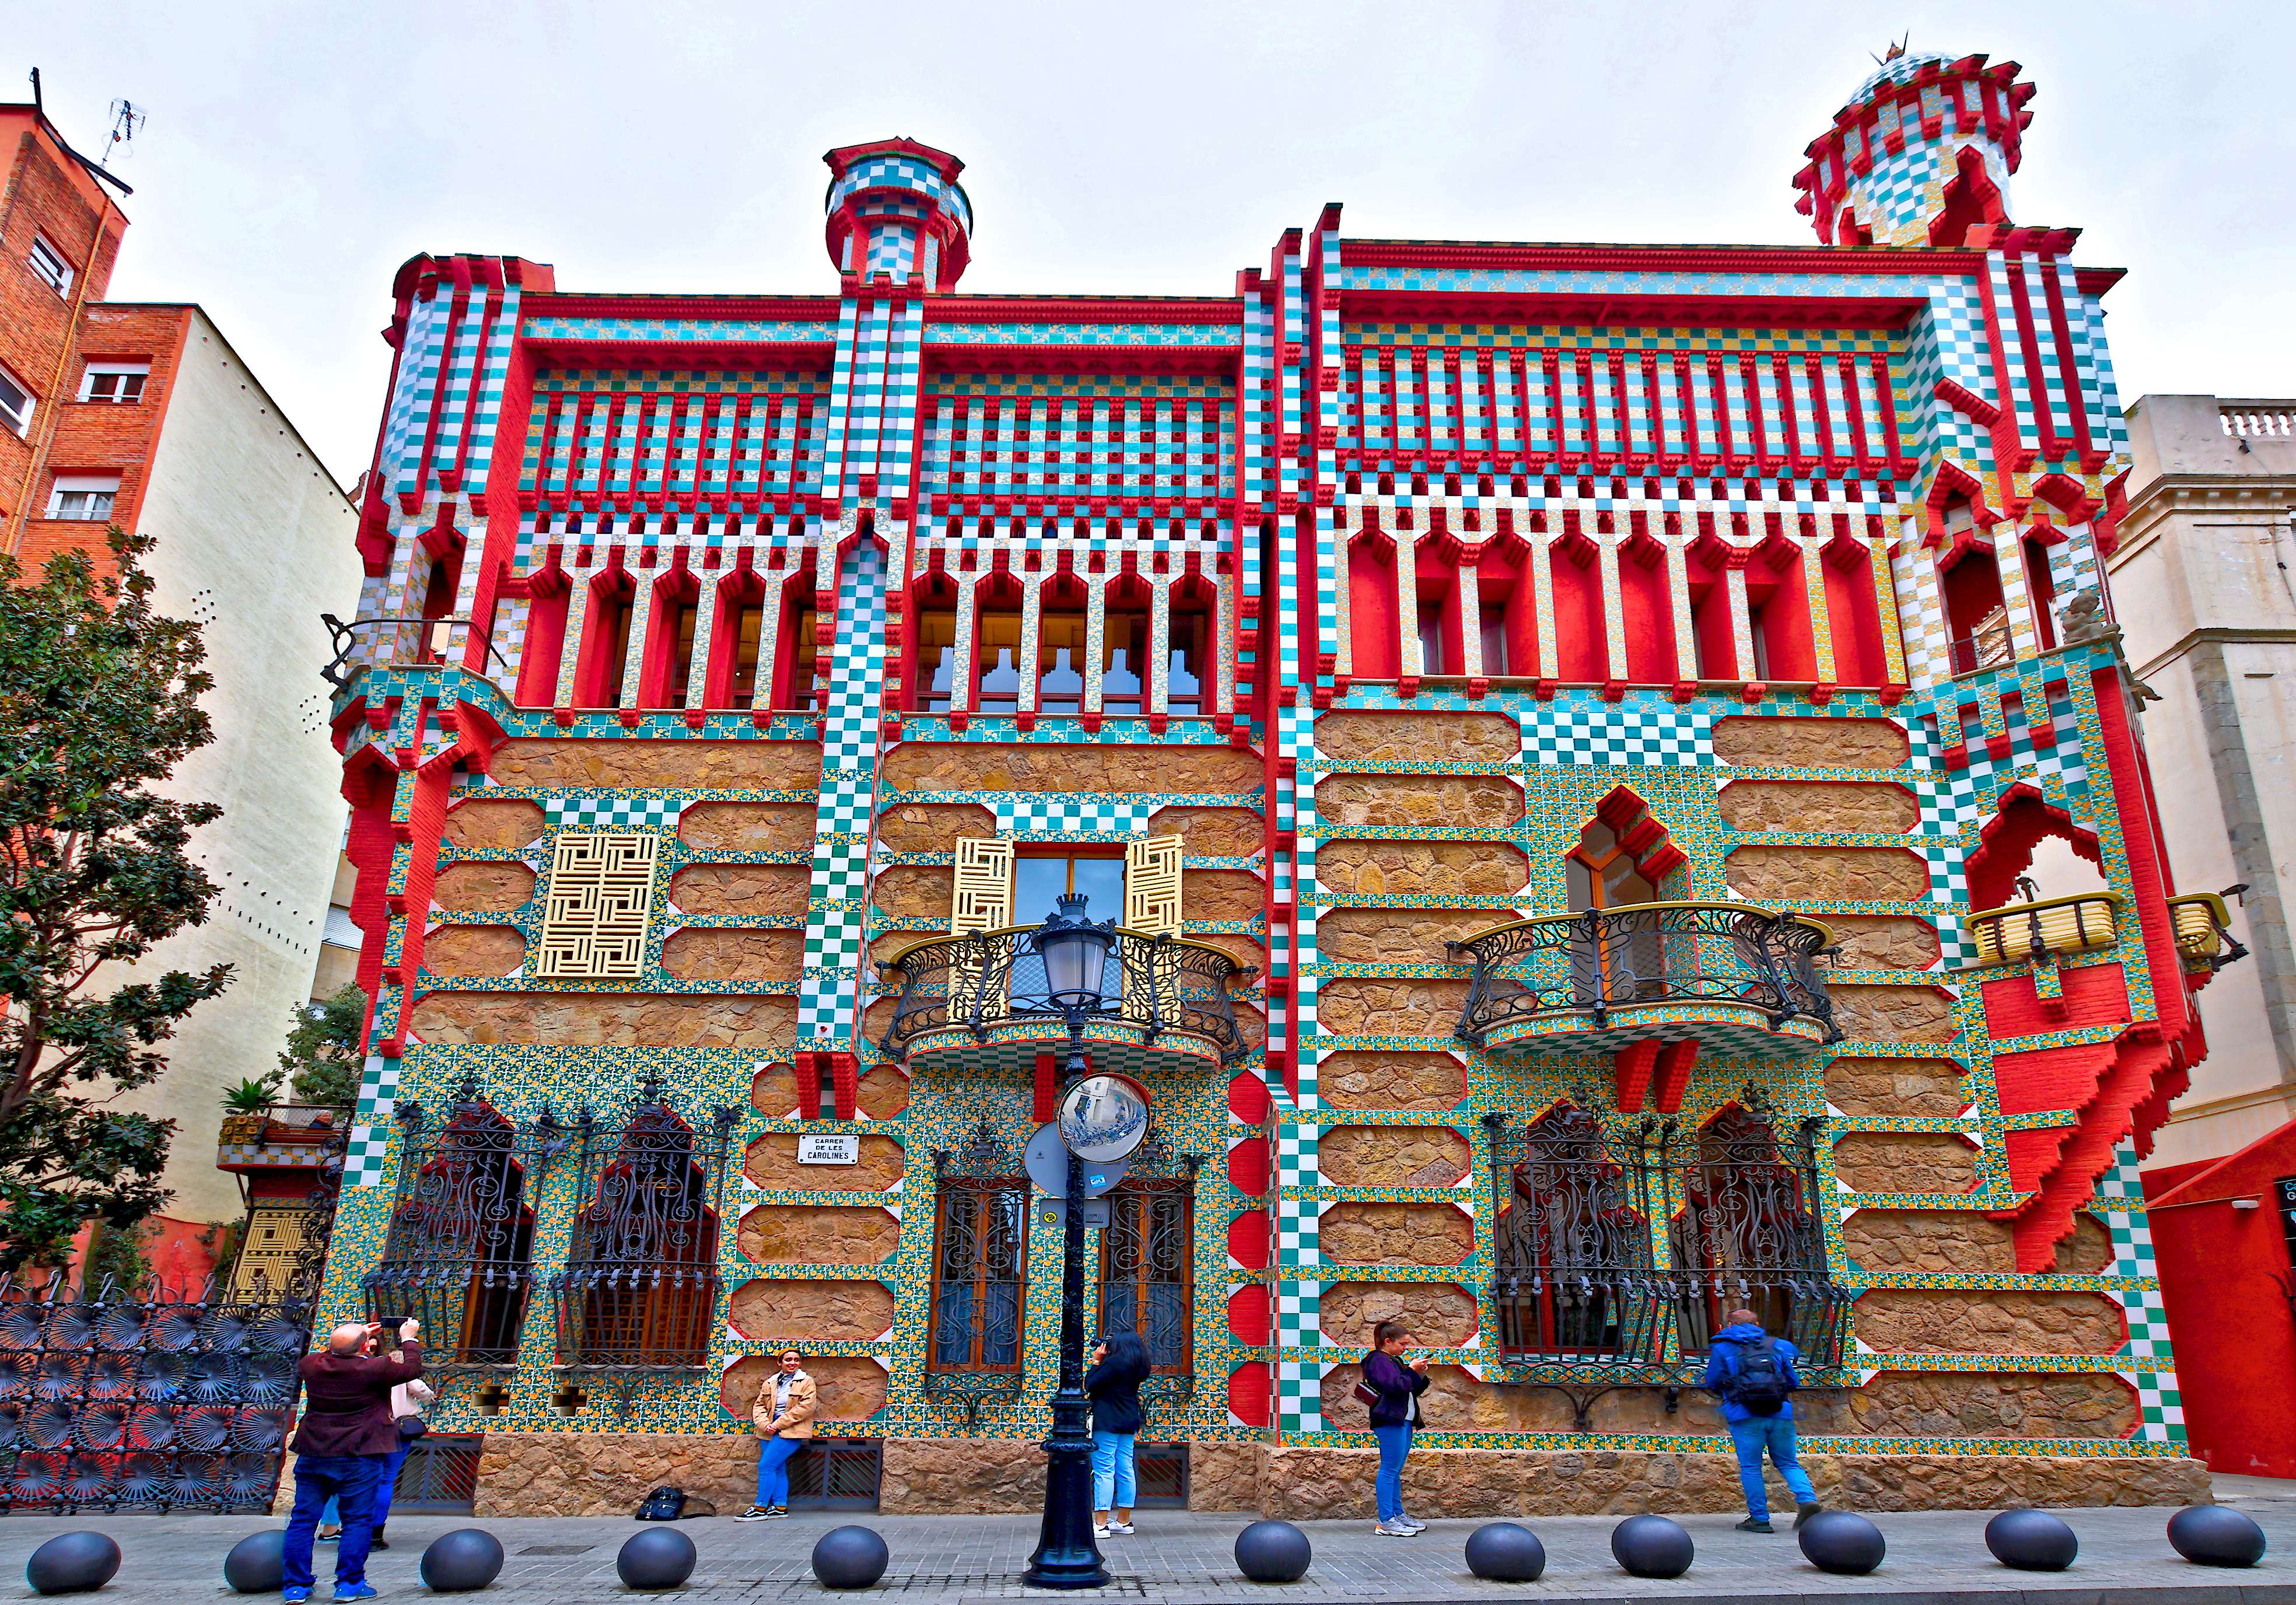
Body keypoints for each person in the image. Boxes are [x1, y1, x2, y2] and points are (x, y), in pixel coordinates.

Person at [285, 1318, 423, 1603]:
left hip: (315, 1453)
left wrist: (351, 1339)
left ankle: (295, 1587)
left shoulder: (311, 1365)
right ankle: (349, 1584)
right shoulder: (376, 1367)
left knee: (302, 1521)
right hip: (360, 1455)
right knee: (358, 1520)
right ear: (364, 1346)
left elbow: (332, 1352)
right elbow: (412, 1369)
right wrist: (408, 1338)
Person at [1703, 1307, 1822, 1534]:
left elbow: (1713, 1381)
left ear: (1730, 1326)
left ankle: (1759, 1518)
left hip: (1744, 1414)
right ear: (1757, 1324)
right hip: (1780, 1413)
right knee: (1788, 1462)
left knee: (1751, 1467)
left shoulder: (1722, 1347)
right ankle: (1807, 1499)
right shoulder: (1776, 1345)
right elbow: (1792, 1381)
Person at [1362, 1320, 1430, 1537]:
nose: (1405, 1348)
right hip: (1389, 1420)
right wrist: (1410, 1371)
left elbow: (1410, 1389)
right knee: (1389, 1469)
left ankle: (1397, 1514)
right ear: (1387, 1342)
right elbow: (1395, 1387)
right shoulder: (1377, 1361)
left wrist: (1419, 1374)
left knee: (1395, 1470)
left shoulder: (1394, 1360)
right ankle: (1386, 1521)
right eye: (1403, 1344)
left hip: (1404, 1420)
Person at [1084, 1330, 1151, 1538]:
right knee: (1125, 1468)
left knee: (1104, 1469)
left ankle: (1101, 1524)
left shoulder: (1113, 1364)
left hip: (1108, 1420)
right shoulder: (1137, 1364)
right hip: (1129, 1419)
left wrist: (1096, 1361)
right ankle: (1124, 1521)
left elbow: (1090, 1384)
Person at [737, 1350, 816, 1520]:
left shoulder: (807, 1382)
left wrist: (778, 1424)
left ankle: (760, 1507)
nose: (792, 1363)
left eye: (796, 1360)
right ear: (779, 1363)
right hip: (768, 1430)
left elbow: (805, 1408)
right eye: (788, 1360)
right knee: (777, 1468)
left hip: (791, 1431)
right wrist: (765, 1424)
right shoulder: (770, 1382)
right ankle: (780, 1507)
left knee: (766, 1466)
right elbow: (759, 1406)